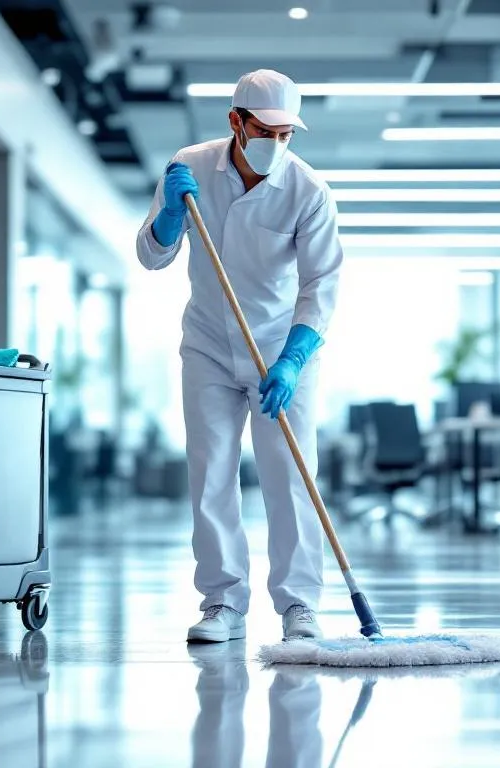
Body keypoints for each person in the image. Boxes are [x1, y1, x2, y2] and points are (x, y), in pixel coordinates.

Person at [135, 69, 344, 643]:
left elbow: (321, 286)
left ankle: (299, 604)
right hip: (207, 341)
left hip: (280, 349)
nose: (275, 144)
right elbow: (152, 258)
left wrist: (295, 359)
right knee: (211, 473)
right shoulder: (193, 166)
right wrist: (170, 217)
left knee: (291, 477)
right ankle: (223, 603)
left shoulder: (307, 191)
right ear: (236, 121)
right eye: (265, 130)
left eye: (286, 135)